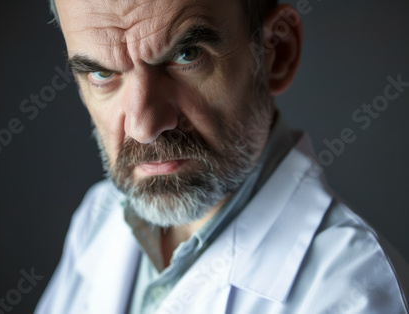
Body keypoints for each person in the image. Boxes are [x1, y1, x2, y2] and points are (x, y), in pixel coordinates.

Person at [35, 0, 409, 313]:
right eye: (101, 73)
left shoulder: (353, 293)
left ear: (276, 51)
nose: (144, 126)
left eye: (187, 55)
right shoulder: (96, 220)